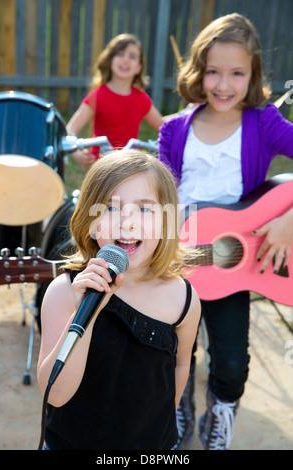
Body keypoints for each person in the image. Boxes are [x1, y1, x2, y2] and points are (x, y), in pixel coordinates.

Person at [158, 13, 293, 450]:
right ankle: (178, 406)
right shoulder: (174, 129)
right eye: (213, 71)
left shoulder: (264, 122)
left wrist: (289, 221)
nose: (223, 84)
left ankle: (221, 411)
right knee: (171, 349)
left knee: (232, 362)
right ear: (197, 70)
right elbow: (161, 192)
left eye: (237, 73)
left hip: (235, 264)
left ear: (252, 76)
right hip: (178, 261)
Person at [37, 149, 201, 450]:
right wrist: (81, 313)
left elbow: (180, 366)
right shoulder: (64, 291)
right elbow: (55, 394)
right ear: (90, 219)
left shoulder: (184, 298)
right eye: (111, 208)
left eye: (145, 209)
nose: (127, 223)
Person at [66, 34, 163, 169]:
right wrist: (76, 153)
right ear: (110, 59)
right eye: (120, 54)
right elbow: (70, 130)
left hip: (131, 166)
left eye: (132, 56)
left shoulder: (142, 99)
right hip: (102, 169)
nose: (126, 60)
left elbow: (163, 125)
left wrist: (187, 113)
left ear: (139, 68)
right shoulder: (97, 96)